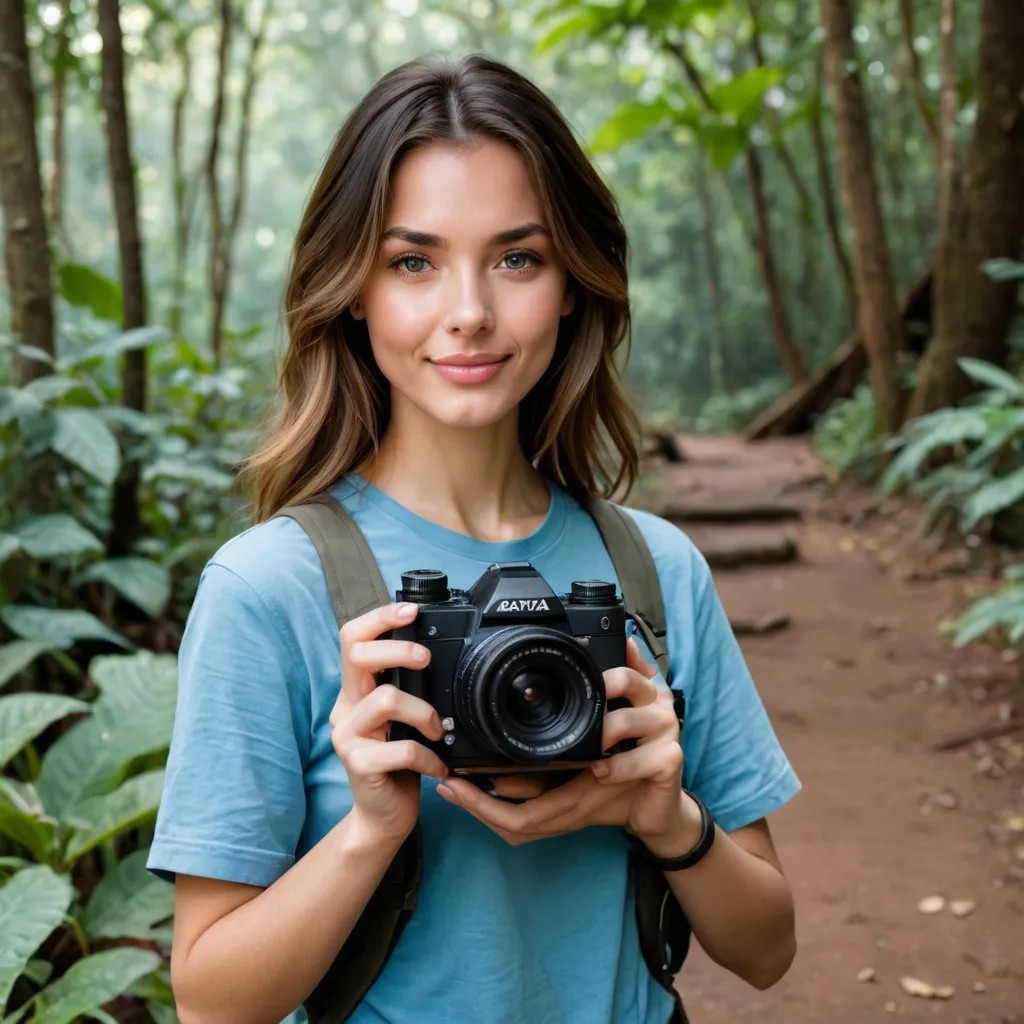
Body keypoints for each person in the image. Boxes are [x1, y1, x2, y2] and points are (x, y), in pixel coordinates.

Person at [147, 53, 800, 1024]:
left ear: (574, 282)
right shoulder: (271, 587)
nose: (468, 313)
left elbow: (767, 950)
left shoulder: (651, 571)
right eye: (413, 261)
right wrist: (369, 829)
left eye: (517, 258)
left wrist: (665, 815)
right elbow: (209, 1002)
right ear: (352, 290)